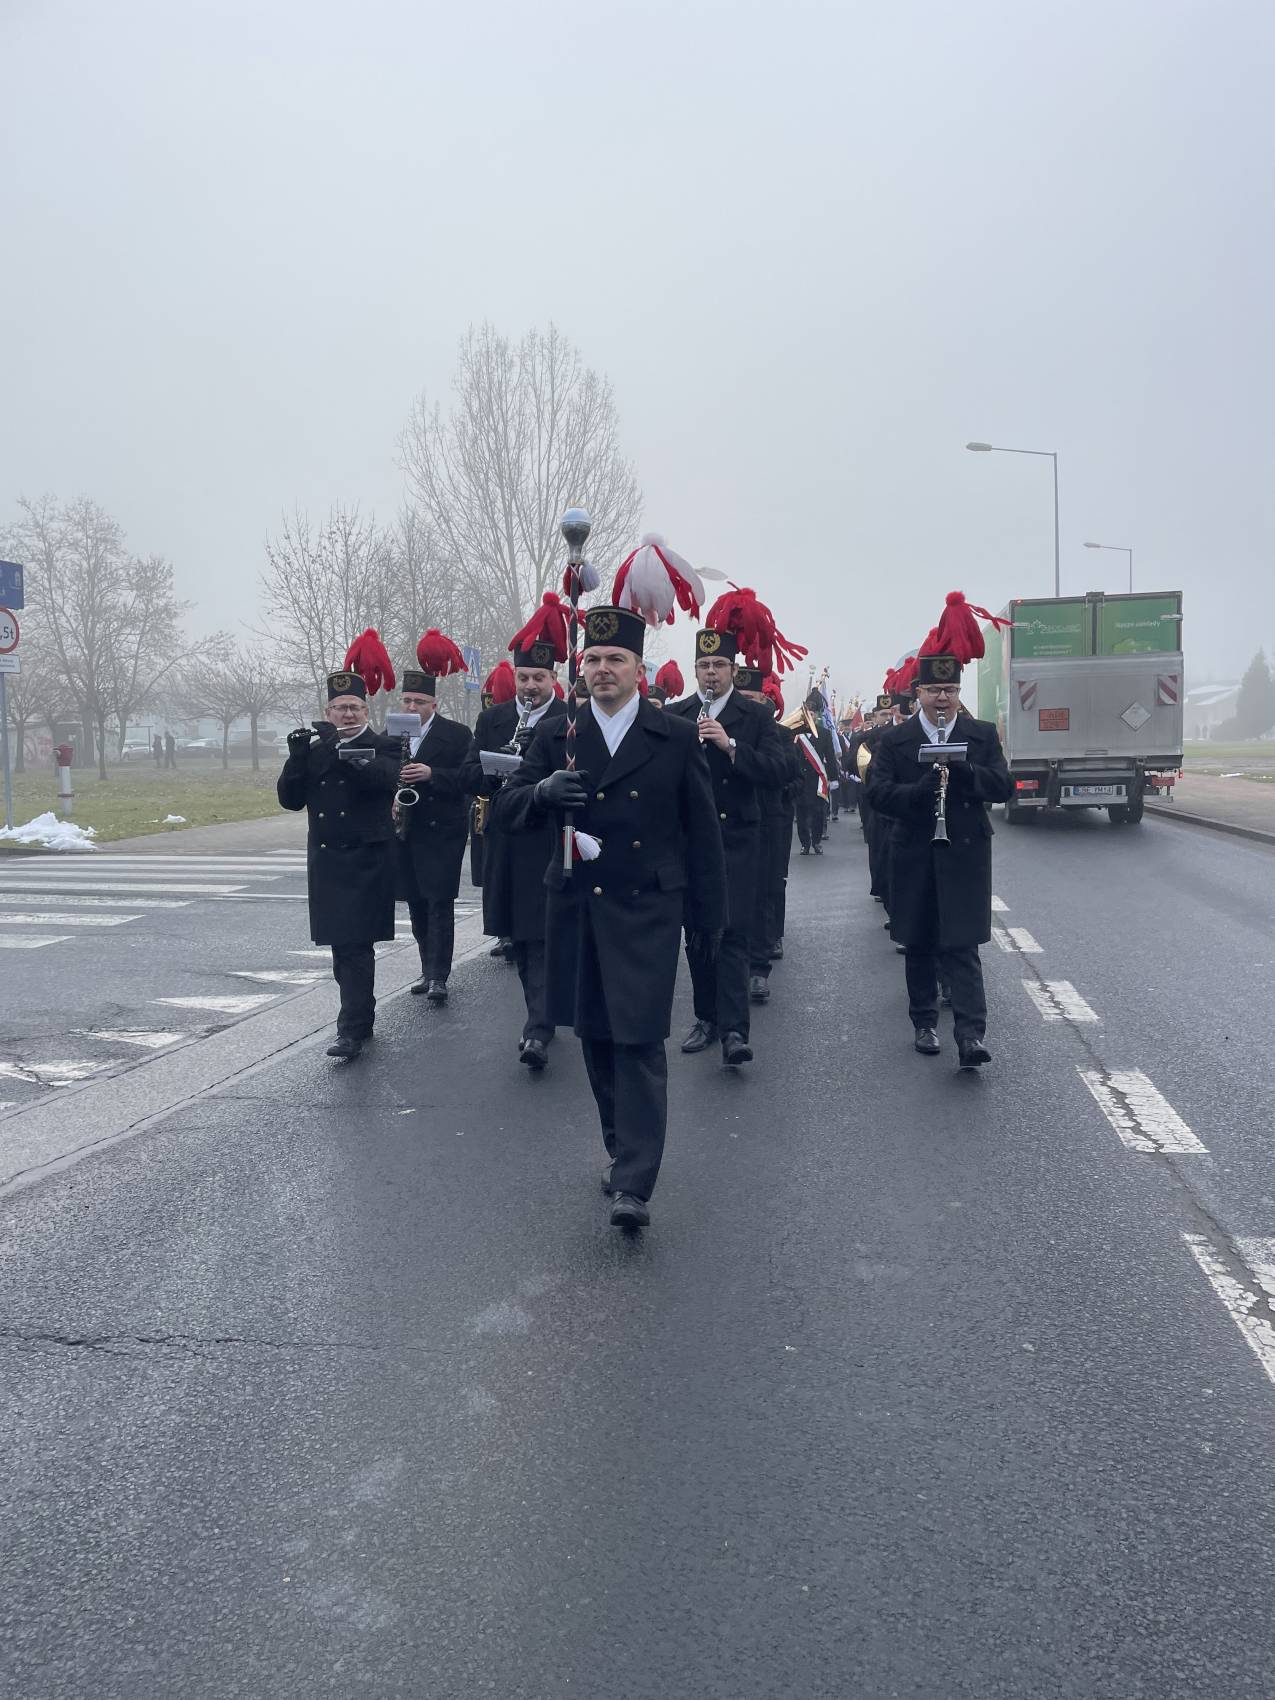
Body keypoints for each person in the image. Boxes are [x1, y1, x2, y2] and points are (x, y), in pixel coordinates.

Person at [492, 605, 725, 1229]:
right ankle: (622, 1148)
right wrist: (541, 794)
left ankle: (634, 1183)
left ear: (638, 668)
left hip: (648, 906)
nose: (602, 669)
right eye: (592, 659)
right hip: (578, 905)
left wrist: (710, 919)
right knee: (596, 1035)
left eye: (615, 659)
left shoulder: (674, 735)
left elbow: (702, 832)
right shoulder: (557, 735)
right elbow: (506, 808)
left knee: (640, 1039)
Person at [866, 595, 1011, 1068]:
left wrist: (967, 773)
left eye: (949, 689)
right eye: (933, 690)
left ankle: (970, 1035)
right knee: (920, 943)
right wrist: (918, 791)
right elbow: (878, 794)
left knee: (963, 946)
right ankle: (924, 1022)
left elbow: (1004, 787)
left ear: (958, 691)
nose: (942, 698)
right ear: (919, 694)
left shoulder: (981, 734)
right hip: (913, 852)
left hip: (965, 853)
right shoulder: (896, 740)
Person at [666, 626, 789, 1064]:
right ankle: (707, 1018)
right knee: (699, 934)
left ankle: (735, 1030)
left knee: (734, 932)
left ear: (733, 670)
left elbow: (778, 770)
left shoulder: (755, 717)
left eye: (719, 665)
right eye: (704, 665)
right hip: (691, 842)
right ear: (695, 670)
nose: (711, 673)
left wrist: (731, 745)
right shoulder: (678, 714)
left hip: (737, 838)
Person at [277, 659, 400, 1060]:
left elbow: (383, 780)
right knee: (341, 948)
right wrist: (297, 759)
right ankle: (360, 1015)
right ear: (328, 711)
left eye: (355, 708)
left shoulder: (385, 745)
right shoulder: (317, 750)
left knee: (356, 945)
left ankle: (351, 1029)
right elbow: (290, 800)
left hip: (367, 859)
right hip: (328, 861)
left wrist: (343, 748)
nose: (348, 714)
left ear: (366, 711)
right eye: (340, 708)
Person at [461, 622, 567, 1069]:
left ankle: (546, 1018)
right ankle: (539, 1021)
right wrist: (497, 768)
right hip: (509, 841)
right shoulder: (494, 719)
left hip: (552, 840)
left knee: (549, 937)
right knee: (524, 939)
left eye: (539, 678)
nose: (530, 686)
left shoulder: (570, 720)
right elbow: (468, 775)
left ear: (553, 680)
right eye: (524, 677)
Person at [394, 642, 473, 1004]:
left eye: (419, 702)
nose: (412, 707)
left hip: (443, 831)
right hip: (407, 830)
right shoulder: (394, 734)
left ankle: (440, 976)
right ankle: (427, 968)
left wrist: (431, 774)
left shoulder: (457, 734)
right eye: (407, 701)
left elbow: (468, 779)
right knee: (415, 903)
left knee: (439, 902)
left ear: (433, 705)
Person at [736, 668, 800, 1002]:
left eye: (751, 697)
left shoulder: (780, 733)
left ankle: (760, 966)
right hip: (730, 821)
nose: (746, 703)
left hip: (768, 820)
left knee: (767, 889)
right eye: (740, 697)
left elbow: (789, 771)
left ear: (764, 699)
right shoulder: (717, 727)